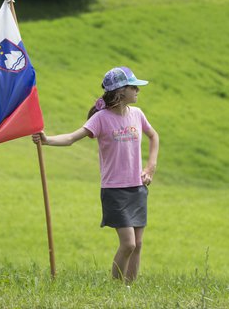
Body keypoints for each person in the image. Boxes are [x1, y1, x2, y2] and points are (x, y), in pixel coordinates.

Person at [32, 66, 160, 282]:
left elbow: (154, 136)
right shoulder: (101, 119)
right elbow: (72, 138)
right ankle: (117, 288)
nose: (138, 90)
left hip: (137, 188)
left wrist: (150, 168)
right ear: (120, 92)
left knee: (138, 244)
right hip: (114, 190)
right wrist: (47, 140)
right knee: (128, 244)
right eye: (133, 87)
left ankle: (129, 291)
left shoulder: (137, 114)